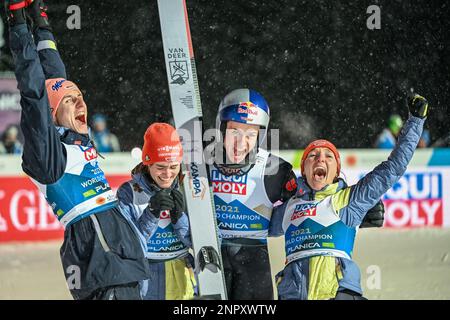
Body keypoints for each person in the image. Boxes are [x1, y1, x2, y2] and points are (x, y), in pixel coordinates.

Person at [5, 0, 150, 299]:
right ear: (53, 115)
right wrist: (18, 22)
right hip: (96, 252)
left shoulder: (77, 137)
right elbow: (34, 93)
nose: (80, 103)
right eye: (70, 102)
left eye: (80, 97)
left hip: (120, 250)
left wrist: (40, 20)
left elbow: (56, 76)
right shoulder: (47, 157)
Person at [208, 88, 385, 300]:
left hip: (252, 261)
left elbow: (310, 201)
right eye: (235, 132)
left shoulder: (275, 171)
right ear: (221, 129)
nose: (241, 142)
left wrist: (357, 213)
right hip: (211, 255)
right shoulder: (199, 162)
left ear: (260, 135)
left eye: (250, 134)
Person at [270, 93, 429, 300]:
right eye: (313, 155)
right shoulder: (288, 205)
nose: (320, 158)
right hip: (293, 295)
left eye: (328, 156)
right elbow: (250, 225)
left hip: (339, 294)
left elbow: (394, 167)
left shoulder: (350, 199)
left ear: (336, 171)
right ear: (305, 169)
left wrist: (415, 121)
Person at [117, 123, 196, 300]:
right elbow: (126, 246)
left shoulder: (189, 189)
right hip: (144, 277)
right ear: (147, 163)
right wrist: (151, 213)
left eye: (174, 166)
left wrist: (179, 218)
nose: (167, 174)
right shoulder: (129, 192)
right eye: (160, 167)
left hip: (181, 274)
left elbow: (200, 243)